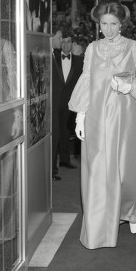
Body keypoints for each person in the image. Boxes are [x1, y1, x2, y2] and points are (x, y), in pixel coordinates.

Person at [69, 0, 136, 249]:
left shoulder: (134, 47)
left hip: (125, 115)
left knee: (124, 169)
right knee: (97, 170)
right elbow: (86, 80)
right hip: (97, 116)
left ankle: (129, 210)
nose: (107, 29)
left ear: (122, 24)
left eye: (113, 24)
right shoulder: (92, 48)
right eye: (103, 23)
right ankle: (98, 224)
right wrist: (80, 115)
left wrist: (131, 86)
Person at [51, 30, 83, 180]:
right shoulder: (52, 57)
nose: (65, 44)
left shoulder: (79, 61)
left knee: (66, 131)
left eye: (69, 41)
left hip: (71, 103)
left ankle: (64, 161)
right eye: (63, 41)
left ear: (73, 43)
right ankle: (53, 166)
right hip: (55, 101)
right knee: (54, 133)